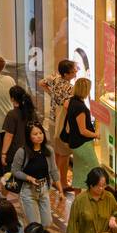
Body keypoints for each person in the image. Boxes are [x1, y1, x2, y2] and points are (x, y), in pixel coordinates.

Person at [11, 121, 61, 230]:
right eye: (35, 134)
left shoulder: (48, 151)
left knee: (47, 223)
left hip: (43, 188)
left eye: (40, 133)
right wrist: (29, 178)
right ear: (29, 137)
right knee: (34, 226)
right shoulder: (22, 152)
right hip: (28, 190)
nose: (39, 136)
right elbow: (15, 170)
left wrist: (61, 190)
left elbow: (53, 170)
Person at [42, 58, 79, 189]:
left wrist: (51, 94)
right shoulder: (70, 88)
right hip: (63, 123)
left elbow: (41, 83)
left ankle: (56, 179)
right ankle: (62, 183)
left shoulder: (54, 78)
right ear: (66, 74)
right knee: (64, 154)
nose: (76, 72)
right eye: (74, 70)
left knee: (57, 151)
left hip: (52, 120)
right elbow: (68, 106)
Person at [61, 76, 98, 191]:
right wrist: (96, 135)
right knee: (94, 169)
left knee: (78, 170)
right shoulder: (80, 107)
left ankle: (78, 196)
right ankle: (92, 195)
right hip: (82, 144)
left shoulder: (71, 101)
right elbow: (83, 131)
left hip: (74, 142)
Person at [1, 85, 39, 173]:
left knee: (13, 179)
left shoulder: (12, 114)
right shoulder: (32, 112)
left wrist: (3, 154)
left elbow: (9, 136)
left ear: (12, 99)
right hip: (30, 151)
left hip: (15, 153)